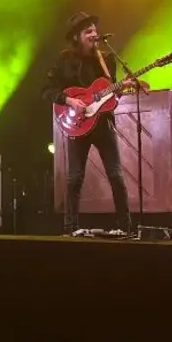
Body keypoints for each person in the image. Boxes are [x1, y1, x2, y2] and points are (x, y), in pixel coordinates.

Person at [42, 12, 131, 234]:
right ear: (77, 37)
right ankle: (71, 227)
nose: (94, 34)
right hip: (78, 123)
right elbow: (46, 90)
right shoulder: (65, 60)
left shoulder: (106, 59)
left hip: (103, 123)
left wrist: (120, 90)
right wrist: (69, 100)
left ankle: (125, 227)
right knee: (74, 178)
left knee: (117, 176)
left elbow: (112, 95)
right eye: (88, 31)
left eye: (94, 30)